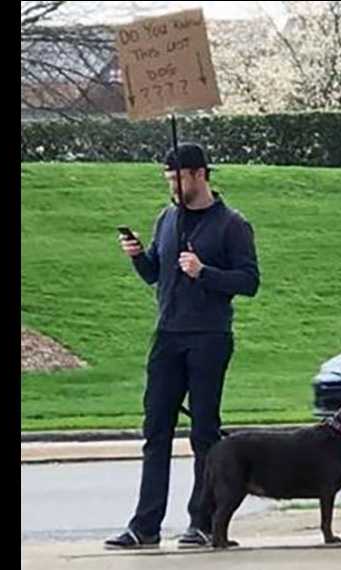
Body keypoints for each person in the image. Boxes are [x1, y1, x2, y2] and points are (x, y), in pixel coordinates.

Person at [105, 142, 260, 549]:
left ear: (199, 174)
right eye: (168, 179)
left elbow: (249, 281)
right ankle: (145, 525)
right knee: (156, 429)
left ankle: (202, 520)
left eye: (177, 178)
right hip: (168, 335)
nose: (172, 187)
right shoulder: (167, 218)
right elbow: (157, 273)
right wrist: (139, 257)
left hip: (209, 336)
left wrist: (204, 271)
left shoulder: (232, 224)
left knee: (204, 432)